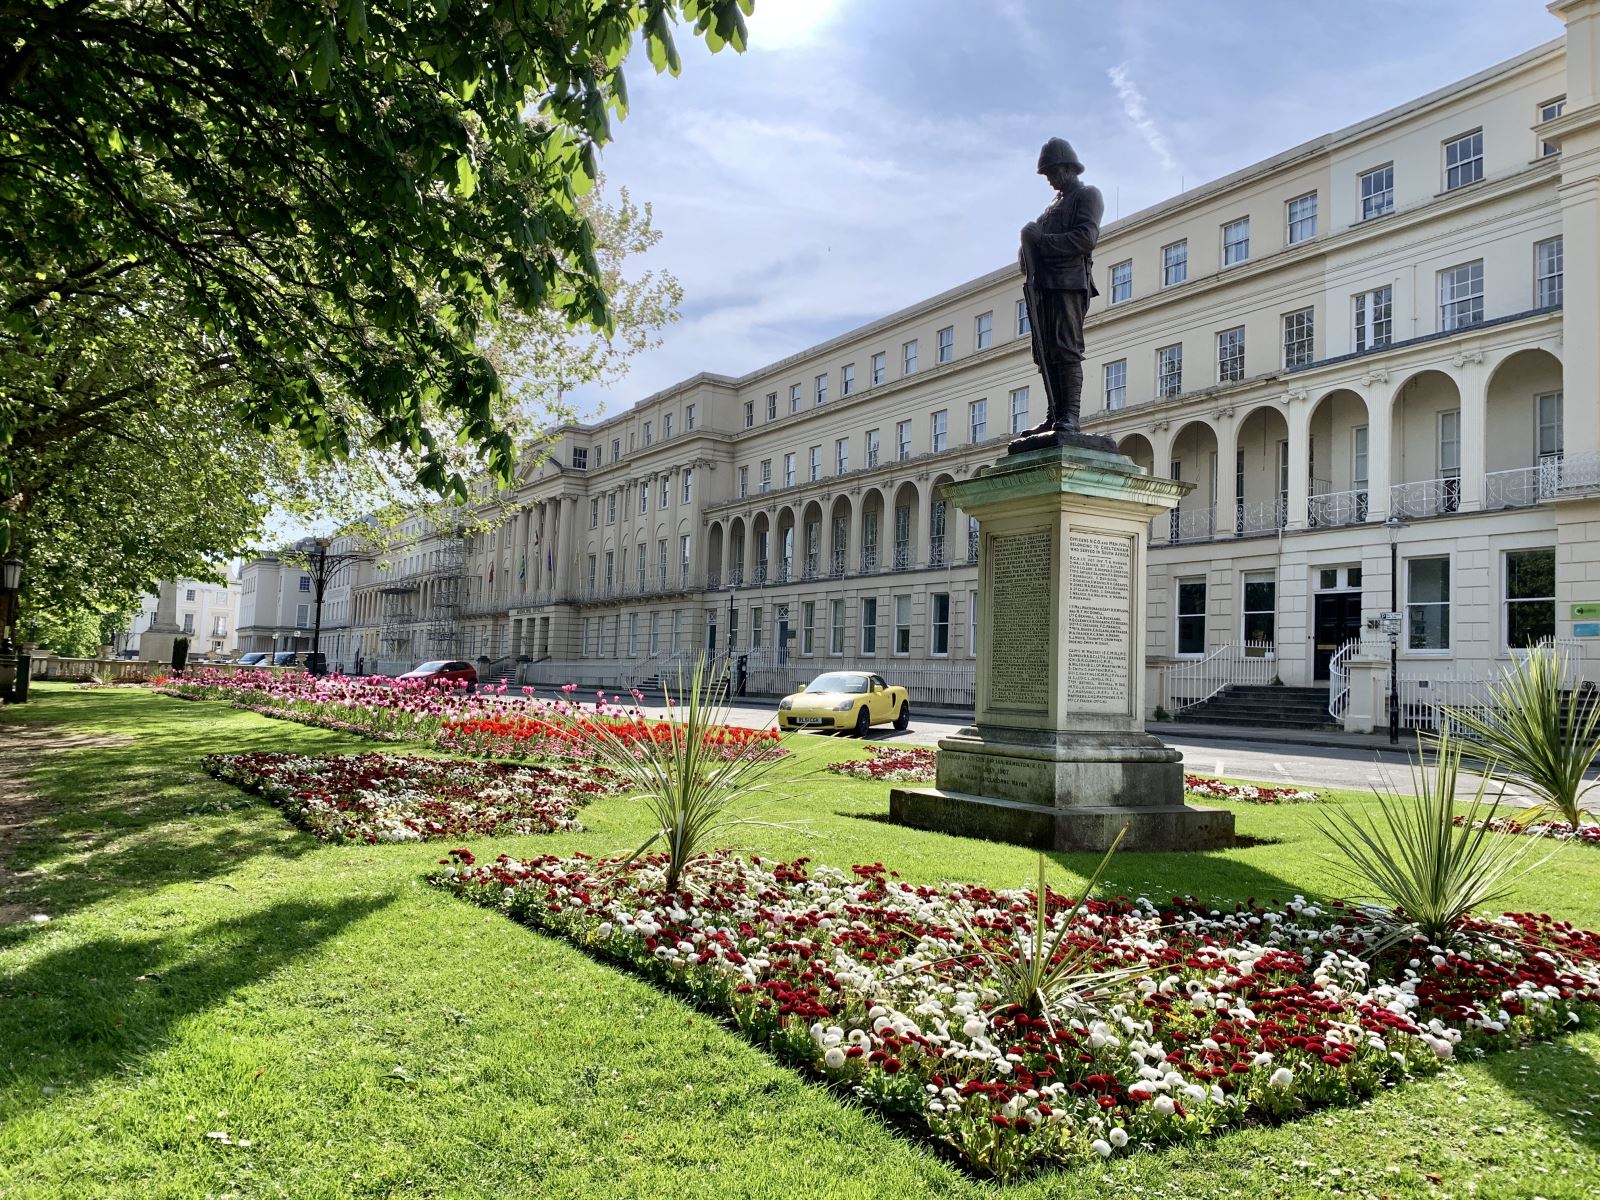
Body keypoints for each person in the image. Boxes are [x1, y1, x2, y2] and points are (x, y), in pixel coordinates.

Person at [1014, 137, 1112, 446]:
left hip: (1070, 283)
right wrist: (1027, 245)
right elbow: (1030, 255)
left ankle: (1070, 415)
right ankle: (1054, 414)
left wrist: (1040, 241)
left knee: (1066, 348)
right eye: (1047, 175)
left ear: (1069, 167)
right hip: (1044, 287)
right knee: (1046, 353)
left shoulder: (1087, 195)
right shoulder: (1048, 210)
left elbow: (1085, 239)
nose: (1051, 180)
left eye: (1054, 172)